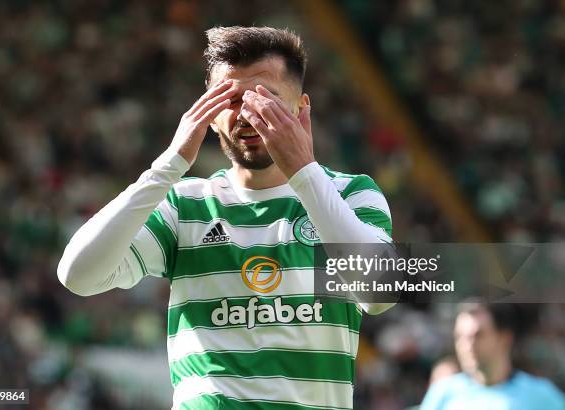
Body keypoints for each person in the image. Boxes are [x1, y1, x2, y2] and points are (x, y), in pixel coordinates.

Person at [57, 26, 394, 409]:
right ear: (209, 114)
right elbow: (78, 276)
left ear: (301, 107)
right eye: (231, 100)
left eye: (265, 98)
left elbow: (380, 293)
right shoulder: (184, 204)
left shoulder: (352, 193)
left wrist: (303, 170)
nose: (248, 115)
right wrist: (166, 168)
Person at [420, 302, 565, 410]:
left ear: (504, 338)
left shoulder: (541, 396)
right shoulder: (443, 393)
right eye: (460, 337)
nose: (467, 346)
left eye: (478, 335)